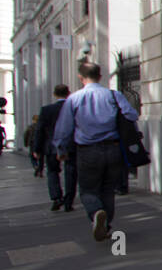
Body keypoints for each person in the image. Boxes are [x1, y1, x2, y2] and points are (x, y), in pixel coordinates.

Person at [53, 60, 139, 242]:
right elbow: (131, 115)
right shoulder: (113, 95)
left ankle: (95, 213)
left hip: (87, 150)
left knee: (88, 190)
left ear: (80, 77)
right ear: (100, 76)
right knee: (108, 189)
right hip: (113, 147)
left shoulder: (74, 99)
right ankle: (106, 225)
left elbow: (64, 127)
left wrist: (61, 148)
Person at [35, 86, 76, 211]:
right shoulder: (73, 108)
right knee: (71, 173)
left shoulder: (46, 110)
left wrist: (37, 149)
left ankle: (56, 197)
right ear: (68, 93)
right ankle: (68, 201)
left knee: (52, 172)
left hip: (51, 146)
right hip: (70, 145)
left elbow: (39, 130)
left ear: (54, 94)